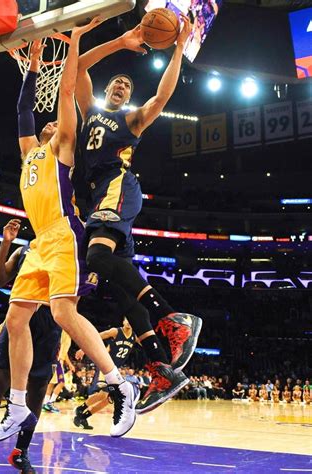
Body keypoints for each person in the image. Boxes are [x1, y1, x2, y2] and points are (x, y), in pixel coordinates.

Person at [0, 17, 139, 445]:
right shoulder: (29, 151)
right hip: (39, 242)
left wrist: (75, 38)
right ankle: (18, 405)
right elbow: (23, 110)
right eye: (48, 123)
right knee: (16, 317)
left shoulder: (64, 145)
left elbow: (67, 89)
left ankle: (118, 384)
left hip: (66, 233)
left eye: (56, 121)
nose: (52, 123)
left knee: (62, 313)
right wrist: (34, 66)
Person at [74, 14, 201, 413]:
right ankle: (162, 369)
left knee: (97, 257)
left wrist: (177, 48)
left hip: (118, 186)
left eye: (127, 85)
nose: (122, 86)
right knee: (122, 291)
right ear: (106, 89)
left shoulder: (130, 119)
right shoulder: (88, 112)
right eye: (117, 82)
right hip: (100, 197)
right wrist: (119, 42)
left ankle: (173, 318)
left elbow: (161, 97)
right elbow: (77, 66)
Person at [0, 218, 62, 473]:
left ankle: (21, 451)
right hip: (20, 318)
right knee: (0, 381)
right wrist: (6, 244)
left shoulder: (67, 249)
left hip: (50, 321)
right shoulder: (24, 250)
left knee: (38, 387)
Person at [73, 318, 136, 430]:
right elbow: (96, 337)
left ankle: (82, 417)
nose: (129, 322)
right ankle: (80, 409)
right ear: (123, 321)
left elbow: (148, 342)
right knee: (103, 394)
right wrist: (83, 349)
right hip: (105, 366)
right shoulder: (115, 331)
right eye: (127, 319)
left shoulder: (134, 337)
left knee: (110, 399)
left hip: (115, 370)